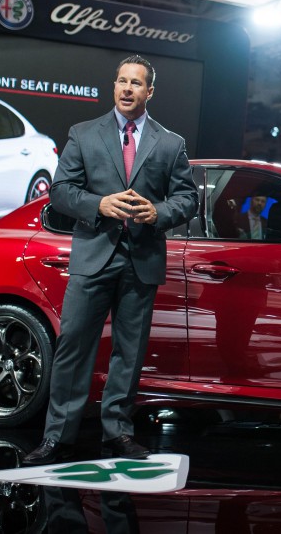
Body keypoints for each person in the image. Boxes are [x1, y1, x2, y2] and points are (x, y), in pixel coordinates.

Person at [23, 55, 199, 466]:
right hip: (93, 255)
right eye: (121, 81)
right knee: (73, 347)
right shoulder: (83, 134)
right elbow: (61, 192)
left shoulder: (170, 143)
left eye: (136, 83)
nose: (126, 89)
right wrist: (100, 204)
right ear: (114, 86)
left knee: (129, 352)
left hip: (141, 258)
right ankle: (57, 438)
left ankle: (118, 432)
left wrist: (159, 213)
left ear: (149, 92)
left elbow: (187, 199)